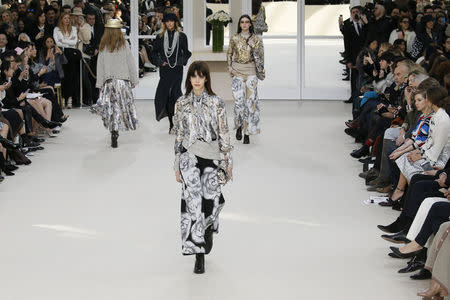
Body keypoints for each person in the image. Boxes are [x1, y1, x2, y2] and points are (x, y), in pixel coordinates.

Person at [173, 61, 233, 274]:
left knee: (212, 202)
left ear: (206, 78)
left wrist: (227, 163)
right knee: (192, 206)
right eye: (193, 76)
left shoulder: (217, 103)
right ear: (188, 79)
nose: (197, 80)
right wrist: (177, 164)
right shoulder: (181, 103)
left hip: (212, 157)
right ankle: (198, 255)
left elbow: (224, 132)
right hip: (189, 157)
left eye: (201, 76)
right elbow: (179, 133)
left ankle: (207, 230)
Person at [90, 18, 138, 148]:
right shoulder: (124, 44)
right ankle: (116, 130)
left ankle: (113, 130)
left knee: (111, 108)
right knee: (120, 108)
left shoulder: (103, 46)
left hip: (109, 82)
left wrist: (99, 84)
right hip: (122, 82)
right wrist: (134, 79)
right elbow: (130, 63)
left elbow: (100, 66)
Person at [227, 14, 265, 144]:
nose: (244, 24)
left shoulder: (255, 38)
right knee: (239, 103)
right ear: (239, 24)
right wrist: (230, 68)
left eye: (246, 22)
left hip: (251, 73)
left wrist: (253, 46)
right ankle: (239, 126)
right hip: (237, 72)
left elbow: (260, 56)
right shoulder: (234, 38)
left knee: (250, 104)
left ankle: (247, 132)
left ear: (250, 24)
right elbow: (229, 53)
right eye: (242, 22)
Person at [152, 13, 191, 134]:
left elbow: (187, 52)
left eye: (171, 21)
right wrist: (160, 62)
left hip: (176, 70)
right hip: (165, 71)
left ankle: (178, 123)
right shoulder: (160, 37)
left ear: (175, 22)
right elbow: (153, 53)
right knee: (165, 96)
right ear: (164, 23)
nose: (169, 23)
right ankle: (171, 124)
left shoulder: (181, 36)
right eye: (167, 21)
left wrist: (180, 61)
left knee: (176, 95)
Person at [53, 12, 80, 109]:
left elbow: (74, 42)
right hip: (61, 54)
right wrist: (68, 41)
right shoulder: (56, 29)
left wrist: (63, 40)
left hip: (71, 55)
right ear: (61, 19)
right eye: (65, 18)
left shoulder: (73, 29)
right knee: (63, 76)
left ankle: (70, 98)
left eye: (68, 18)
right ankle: (63, 98)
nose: (67, 20)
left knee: (71, 76)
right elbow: (57, 42)